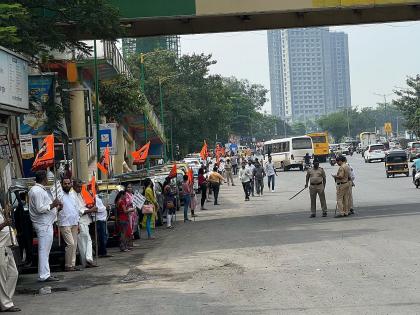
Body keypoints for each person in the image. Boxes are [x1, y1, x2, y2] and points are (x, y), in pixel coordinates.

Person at [28, 170, 62, 282]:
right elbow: (40, 208)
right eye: (47, 178)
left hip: (46, 223)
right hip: (43, 225)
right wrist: (53, 204)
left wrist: (56, 207)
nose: (48, 180)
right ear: (44, 178)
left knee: (45, 251)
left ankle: (45, 274)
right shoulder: (37, 191)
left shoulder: (39, 190)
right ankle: (44, 275)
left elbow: (45, 207)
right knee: (44, 250)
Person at [0, 203, 20, 312]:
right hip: (1, 246)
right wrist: (4, 224)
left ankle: (5, 301)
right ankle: (6, 304)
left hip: (7, 245)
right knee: (2, 277)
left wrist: (6, 212)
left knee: (14, 274)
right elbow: (2, 224)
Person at [73, 180, 97, 268]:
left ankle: (87, 261)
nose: (79, 188)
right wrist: (91, 210)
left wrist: (90, 207)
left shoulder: (80, 194)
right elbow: (79, 211)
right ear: (74, 186)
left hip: (85, 221)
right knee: (84, 243)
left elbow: (83, 207)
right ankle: (87, 261)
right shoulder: (73, 196)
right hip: (79, 221)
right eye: (78, 187)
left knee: (86, 242)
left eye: (80, 187)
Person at [59, 178, 81, 272]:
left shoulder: (72, 195)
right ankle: (68, 265)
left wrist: (78, 222)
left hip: (74, 222)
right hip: (64, 223)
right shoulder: (59, 195)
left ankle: (72, 265)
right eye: (65, 184)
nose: (67, 185)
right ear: (61, 184)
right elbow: (55, 209)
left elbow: (76, 209)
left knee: (74, 245)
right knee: (70, 244)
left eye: (68, 183)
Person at [93, 184, 112, 258]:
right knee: (102, 237)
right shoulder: (94, 198)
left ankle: (102, 251)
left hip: (103, 219)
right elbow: (97, 209)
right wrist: (105, 208)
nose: (98, 189)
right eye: (96, 187)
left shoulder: (98, 197)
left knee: (104, 236)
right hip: (99, 220)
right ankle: (102, 252)